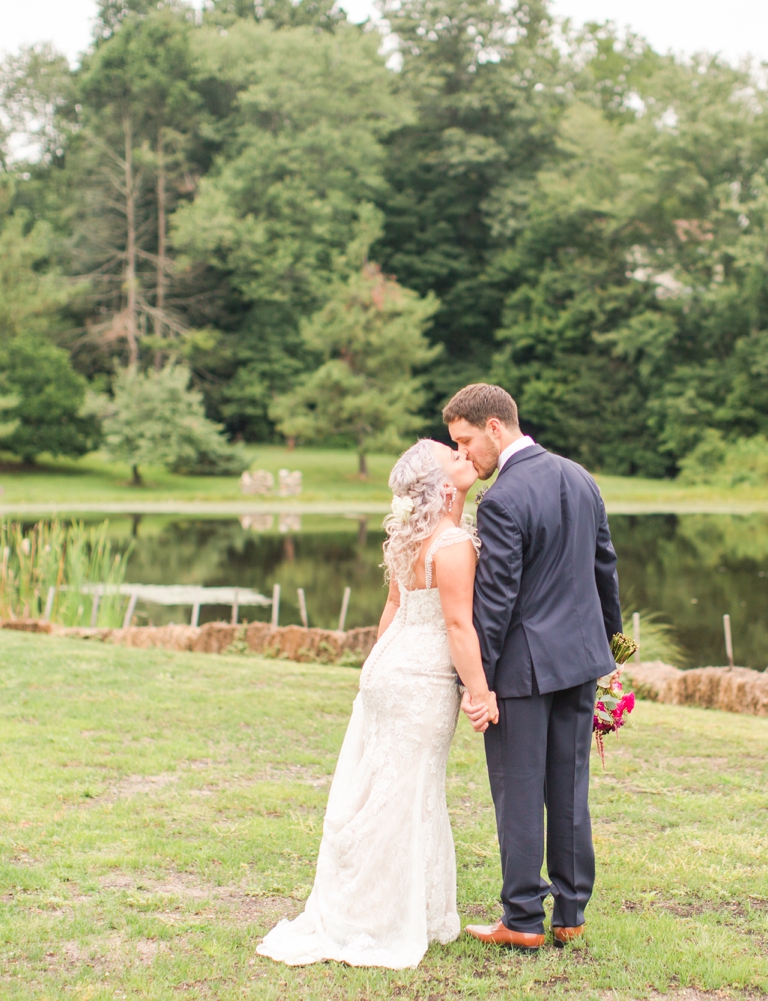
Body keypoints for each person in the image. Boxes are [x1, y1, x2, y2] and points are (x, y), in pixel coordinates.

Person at [255, 438, 497, 969]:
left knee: (389, 789)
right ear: (438, 485)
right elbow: (458, 626)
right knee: (406, 793)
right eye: (450, 456)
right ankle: (379, 918)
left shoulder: (411, 539)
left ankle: (398, 908)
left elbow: (392, 606)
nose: (462, 456)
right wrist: (479, 693)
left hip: (387, 669)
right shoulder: (453, 544)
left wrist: (371, 672)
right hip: (422, 680)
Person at [444, 384, 623, 950]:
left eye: (466, 441)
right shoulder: (580, 477)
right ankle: (571, 913)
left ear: (494, 427)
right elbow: (605, 570)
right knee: (570, 789)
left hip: (522, 672)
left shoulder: (500, 499)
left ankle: (521, 920)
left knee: (519, 791)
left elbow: (494, 603)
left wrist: (479, 683)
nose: (465, 455)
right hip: (580, 663)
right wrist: (611, 650)